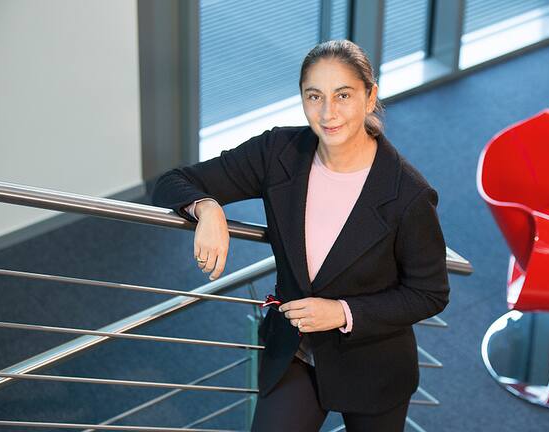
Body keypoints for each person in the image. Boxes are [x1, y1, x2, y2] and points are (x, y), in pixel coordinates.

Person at [152, 39, 450, 432]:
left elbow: (430, 293)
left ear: (370, 96)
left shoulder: (408, 194)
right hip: (297, 349)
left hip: (373, 363)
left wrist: (343, 312)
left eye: (343, 95)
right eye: (314, 96)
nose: (328, 113)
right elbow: (173, 182)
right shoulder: (279, 152)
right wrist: (208, 209)